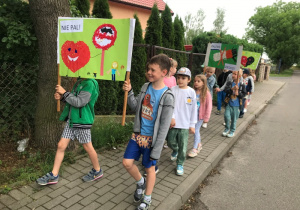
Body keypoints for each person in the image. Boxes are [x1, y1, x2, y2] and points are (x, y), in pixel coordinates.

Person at [122, 54, 174, 210]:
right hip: (137, 136)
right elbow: (135, 106)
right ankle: (140, 183)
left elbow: (164, 126)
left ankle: (148, 198)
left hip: (152, 140)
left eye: (153, 70)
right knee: (127, 163)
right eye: (148, 69)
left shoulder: (168, 96)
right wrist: (129, 91)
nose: (149, 72)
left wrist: (157, 150)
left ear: (164, 72)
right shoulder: (146, 87)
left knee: (149, 168)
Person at [36, 78, 102, 185]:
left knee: (87, 147)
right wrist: (62, 98)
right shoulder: (79, 82)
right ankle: (54, 175)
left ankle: (97, 170)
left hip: (82, 122)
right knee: (61, 145)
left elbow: (79, 102)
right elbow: (72, 100)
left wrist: (64, 93)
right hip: (72, 120)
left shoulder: (90, 84)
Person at [167, 67, 197, 175]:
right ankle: (175, 150)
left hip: (185, 125)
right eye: (178, 77)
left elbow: (194, 109)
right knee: (170, 141)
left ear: (189, 80)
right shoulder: (172, 90)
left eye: (183, 78)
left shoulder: (191, 92)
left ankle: (180, 163)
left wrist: (192, 124)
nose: (180, 80)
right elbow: (170, 106)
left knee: (183, 146)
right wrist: (172, 117)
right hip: (173, 123)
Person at [188, 74, 212, 157]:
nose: (196, 83)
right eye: (195, 81)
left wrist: (206, 117)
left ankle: (195, 149)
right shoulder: (192, 91)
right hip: (192, 116)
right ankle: (199, 144)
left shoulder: (207, 94)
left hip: (200, 116)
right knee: (195, 130)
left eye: (198, 81)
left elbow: (209, 106)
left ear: (203, 83)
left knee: (196, 130)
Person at [222, 70, 247, 137]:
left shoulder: (242, 85)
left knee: (234, 119)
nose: (233, 75)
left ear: (239, 76)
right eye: (233, 73)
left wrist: (238, 93)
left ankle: (232, 131)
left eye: (235, 74)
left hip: (237, 105)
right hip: (229, 103)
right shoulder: (230, 83)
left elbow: (244, 95)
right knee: (226, 116)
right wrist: (232, 89)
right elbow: (226, 90)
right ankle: (227, 129)